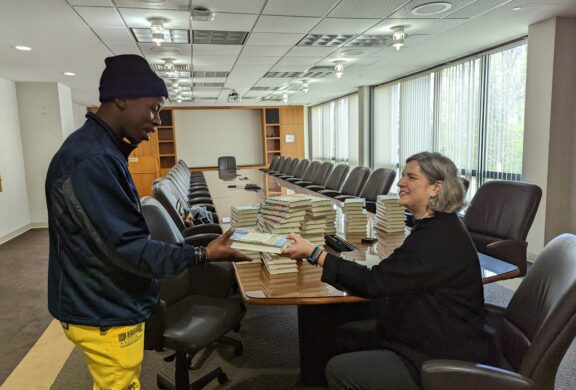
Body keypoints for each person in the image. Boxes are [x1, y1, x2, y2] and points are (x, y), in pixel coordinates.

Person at [45, 54, 249, 390]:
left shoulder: (99, 151)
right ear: (122, 98)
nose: (156, 120)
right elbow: (130, 248)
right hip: (104, 309)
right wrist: (201, 254)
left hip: (100, 299)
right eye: (153, 108)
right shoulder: (92, 160)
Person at [282, 152, 495, 390]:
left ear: (436, 188)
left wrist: (315, 253)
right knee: (337, 319)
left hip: (435, 356)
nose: (401, 182)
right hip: (437, 329)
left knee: (339, 369)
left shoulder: (435, 239)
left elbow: (374, 282)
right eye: (403, 176)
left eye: (411, 177)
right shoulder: (440, 226)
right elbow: (389, 276)